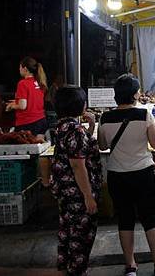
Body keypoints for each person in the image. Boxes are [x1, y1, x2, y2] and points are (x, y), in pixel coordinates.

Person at [97, 74, 155, 276]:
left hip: (117, 176)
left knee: (125, 220)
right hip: (143, 174)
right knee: (150, 219)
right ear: (135, 94)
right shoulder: (144, 115)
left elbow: (102, 146)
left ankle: (130, 266)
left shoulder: (105, 118)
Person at [50, 86, 102, 276]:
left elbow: (77, 150)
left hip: (65, 191)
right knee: (81, 236)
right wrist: (88, 197)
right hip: (78, 193)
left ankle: (69, 269)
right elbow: (78, 165)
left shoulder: (62, 127)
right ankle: (77, 271)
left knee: (69, 230)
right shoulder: (75, 131)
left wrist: (91, 128)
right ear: (80, 106)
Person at [5, 57, 48, 136]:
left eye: (20, 67)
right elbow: (33, 100)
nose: (19, 69)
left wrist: (11, 106)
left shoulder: (22, 83)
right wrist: (16, 102)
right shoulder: (39, 81)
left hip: (28, 124)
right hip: (41, 122)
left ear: (25, 69)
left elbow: (22, 106)